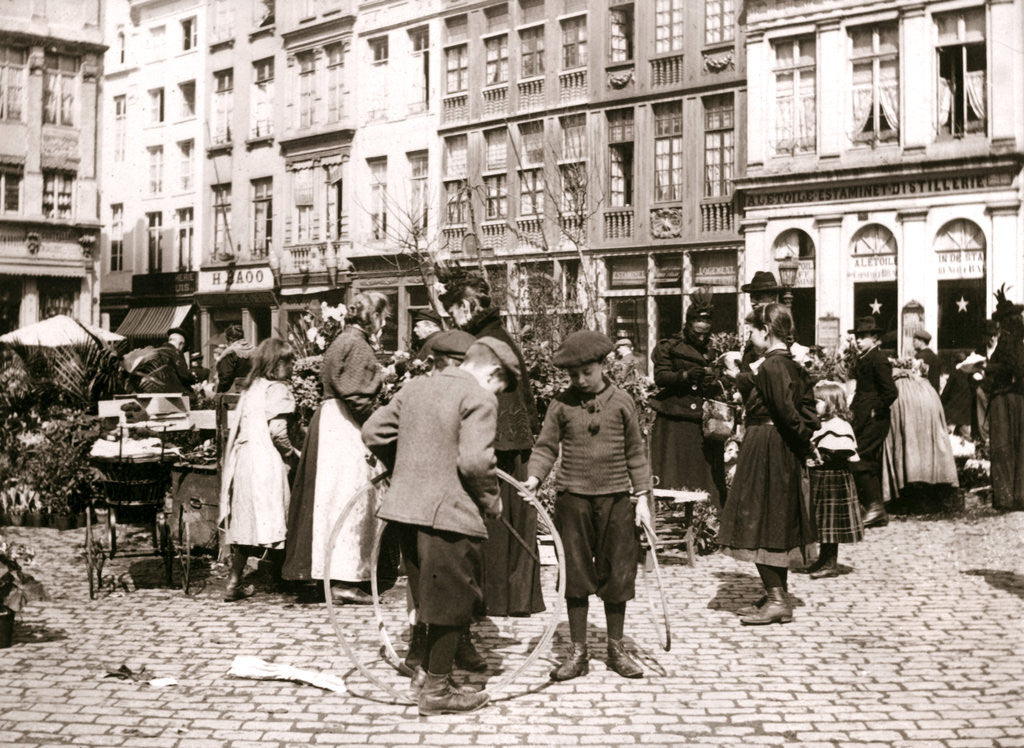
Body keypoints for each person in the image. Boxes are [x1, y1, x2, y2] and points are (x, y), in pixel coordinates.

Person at [362, 337, 521, 715]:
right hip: (448, 513)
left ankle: (424, 674)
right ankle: (437, 692)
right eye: (501, 386)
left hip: (405, 512)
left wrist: (408, 468)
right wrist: (491, 501)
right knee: (452, 602)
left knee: (429, 600)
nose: (498, 393)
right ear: (494, 373)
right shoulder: (480, 398)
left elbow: (373, 432)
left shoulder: (416, 387)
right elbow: (475, 463)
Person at [523, 331, 652, 680]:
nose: (580, 380)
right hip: (573, 500)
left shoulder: (622, 401)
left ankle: (616, 648)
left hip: (616, 501)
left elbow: (636, 454)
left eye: (587, 373)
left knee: (617, 573)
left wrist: (641, 499)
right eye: (574, 375)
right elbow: (546, 446)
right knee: (575, 574)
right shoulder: (560, 405)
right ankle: (578, 652)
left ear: (602, 365)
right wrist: (534, 477)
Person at [441, 273, 543, 627]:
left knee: (494, 522)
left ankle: (493, 599)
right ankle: (510, 598)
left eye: (453, 310)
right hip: (514, 441)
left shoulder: (480, 342)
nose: (452, 319)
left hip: (492, 443)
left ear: (467, 307)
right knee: (509, 522)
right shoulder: (500, 335)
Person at [282, 292, 390, 603]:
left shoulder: (341, 341)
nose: (383, 324)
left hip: (330, 421)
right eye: (382, 318)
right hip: (345, 425)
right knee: (349, 501)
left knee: (328, 502)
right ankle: (344, 579)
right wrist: (381, 424)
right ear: (373, 317)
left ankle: (328, 575)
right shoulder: (357, 345)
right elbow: (357, 396)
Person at [717, 303, 819, 625]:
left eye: (752, 330)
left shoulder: (774, 365)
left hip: (769, 446)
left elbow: (787, 414)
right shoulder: (785, 364)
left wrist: (804, 442)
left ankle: (777, 598)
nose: (750, 335)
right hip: (776, 446)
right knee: (773, 521)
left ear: (767, 331)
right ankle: (776, 594)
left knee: (759, 520)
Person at [219, 338, 299, 601]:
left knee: (245, 520)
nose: (292, 365)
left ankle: (233, 582)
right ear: (275, 364)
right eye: (288, 360)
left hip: (244, 460)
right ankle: (281, 578)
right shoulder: (277, 390)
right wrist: (294, 455)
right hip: (266, 460)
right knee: (278, 515)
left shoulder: (251, 388)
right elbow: (278, 433)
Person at [650, 290, 726, 507]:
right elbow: (661, 376)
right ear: (688, 325)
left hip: (702, 420)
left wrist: (712, 382)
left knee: (703, 474)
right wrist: (684, 376)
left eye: (706, 332)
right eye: (697, 332)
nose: (702, 337)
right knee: (674, 472)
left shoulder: (712, 350)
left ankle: (707, 518)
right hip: (675, 418)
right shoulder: (670, 347)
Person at [800, 380, 863, 580]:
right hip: (822, 478)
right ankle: (822, 558)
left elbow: (842, 451)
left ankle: (830, 562)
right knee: (822, 521)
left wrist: (822, 458)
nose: (814, 405)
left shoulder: (839, 425)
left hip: (834, 479)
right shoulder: (821, 424)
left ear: (832, 403)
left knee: (830, 522)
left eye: (818, 401)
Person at [847, 316, 898, 528]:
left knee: (861, 459)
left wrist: (875, 410)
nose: (858, 341)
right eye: (857, 337)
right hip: (863, 416)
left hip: (875, 419)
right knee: (862, 459)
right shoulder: (865, 357)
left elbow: (890, 392)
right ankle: (873, 509)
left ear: (875, 338)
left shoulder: (878, 359)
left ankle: (875, 508)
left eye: (863, 337)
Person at [981, 285, 1024, 511]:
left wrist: (986, 369)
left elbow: (1011, 367)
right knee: (1019, 447)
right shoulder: (1018, 340)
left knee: (1003, 448)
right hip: (1018, 399)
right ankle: (1019, 496)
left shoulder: (1008, 341)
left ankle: (1006, 498)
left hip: (1005, 400)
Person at [739, 272, 784, 370]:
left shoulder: (778, 324)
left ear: (772, 297)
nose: (753, 302)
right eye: (751, 297)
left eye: (758, 297)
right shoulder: (755, 322)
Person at [140, 327, 197, 394]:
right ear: (181, 344)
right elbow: (183, 375)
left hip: (152, 391)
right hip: (171, 393)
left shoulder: (158, 351)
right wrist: (193, 378)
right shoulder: (174, 353)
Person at [215, 324, 254, 393]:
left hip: (234, 393)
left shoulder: (230, 352)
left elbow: (225, 377)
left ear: (229, 339)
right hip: (253, 390)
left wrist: (219, 392)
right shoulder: (255, 350)